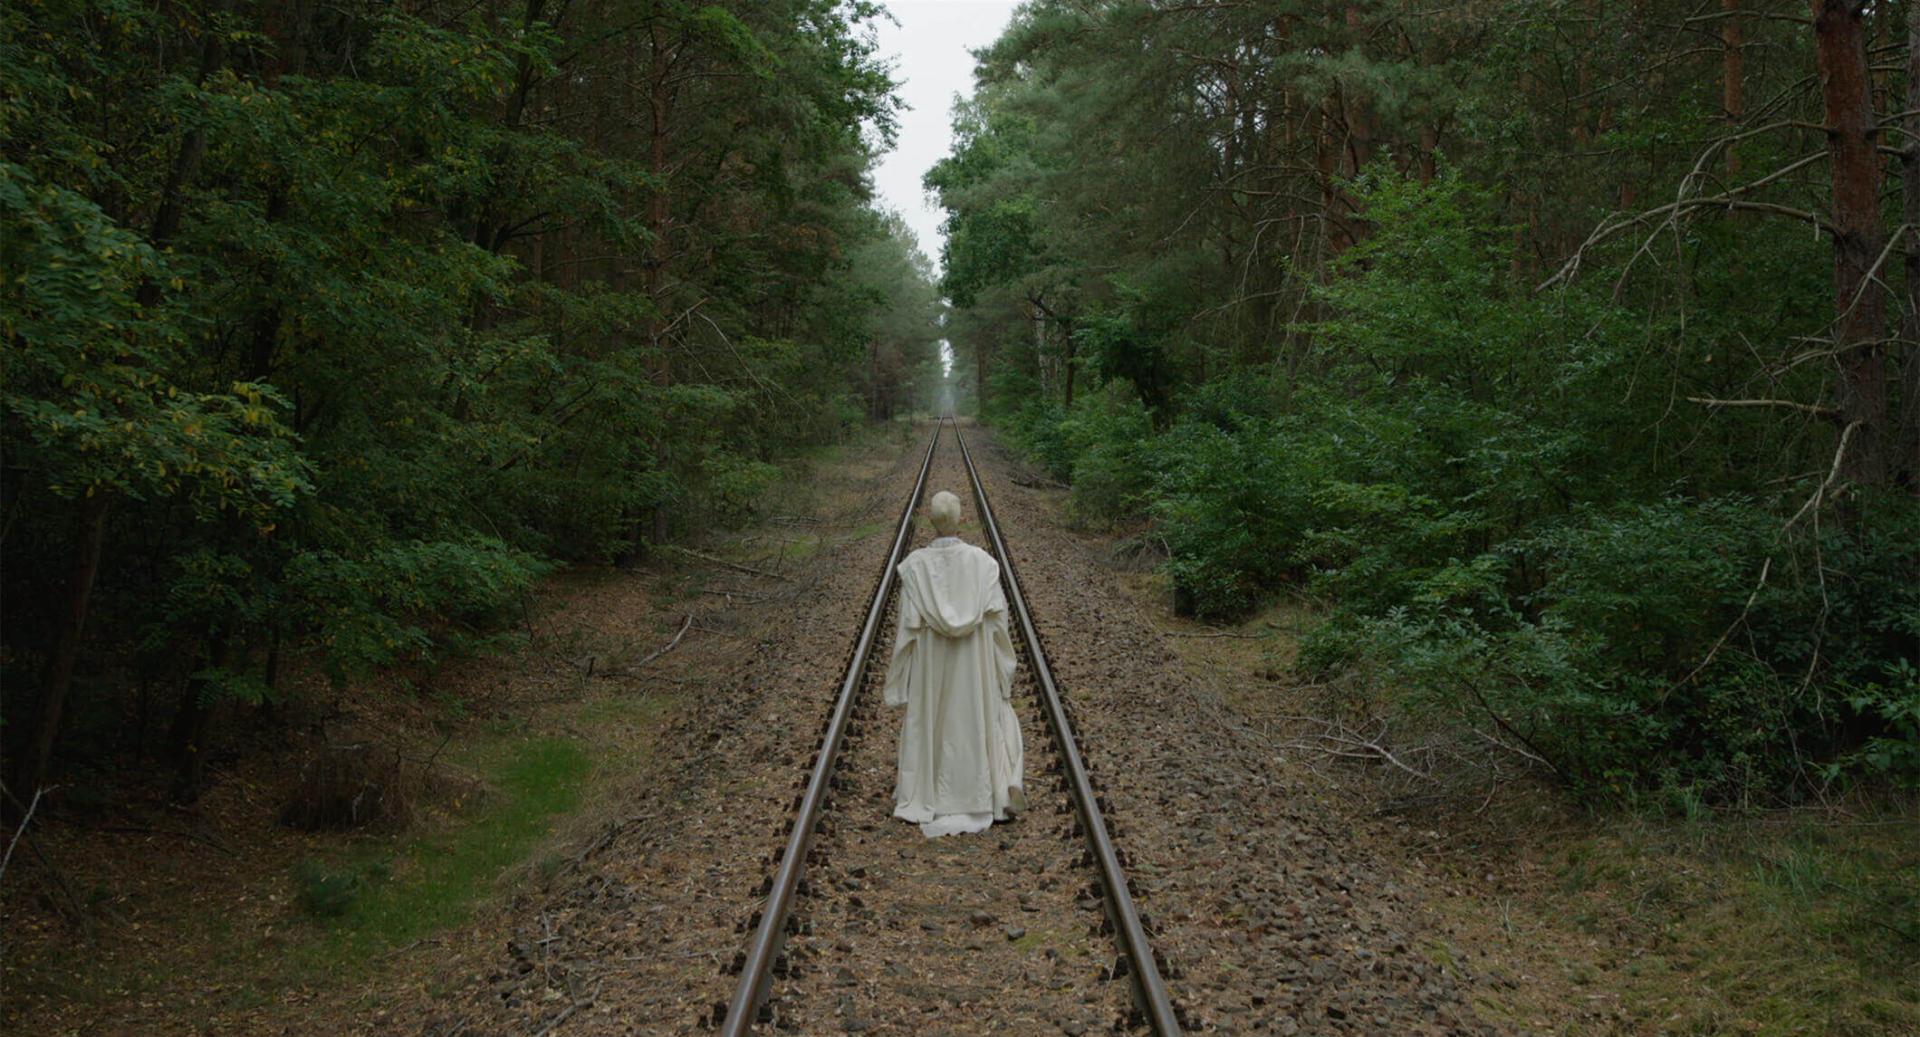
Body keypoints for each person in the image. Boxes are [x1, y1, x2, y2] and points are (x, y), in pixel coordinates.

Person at [882, 490, 1025, 838]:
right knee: (974, 719)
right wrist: (1003, 671)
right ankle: (978, 792)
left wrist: (900, 681)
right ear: (961, 520)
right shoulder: (983, 564)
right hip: (972, 661)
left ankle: (932, 794)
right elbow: (997, 624)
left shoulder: (915, 568)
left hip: (934, 660)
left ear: (931, 522)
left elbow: (906, 630)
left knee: (934, 720)